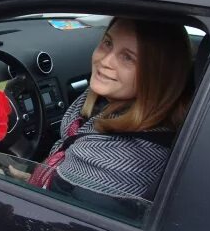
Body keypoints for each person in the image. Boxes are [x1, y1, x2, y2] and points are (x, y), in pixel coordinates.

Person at [29, 17, 192, 201]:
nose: (105, 61)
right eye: (107, 43)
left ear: (157, 76)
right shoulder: (100, 106)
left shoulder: (121, 164)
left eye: (127, 57)